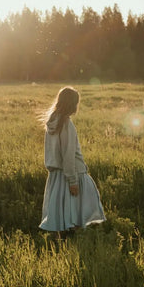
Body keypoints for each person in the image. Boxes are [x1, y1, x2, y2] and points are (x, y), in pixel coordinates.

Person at [39, 86, 106, 235]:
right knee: (79, 211)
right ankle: (78, 241)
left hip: (56, 175)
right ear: (72, 104)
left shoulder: (53, 121)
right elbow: (68, 155)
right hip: (72, 173)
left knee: (61, 213)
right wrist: (73, 181)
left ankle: (63, 242)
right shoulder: (66, 124)